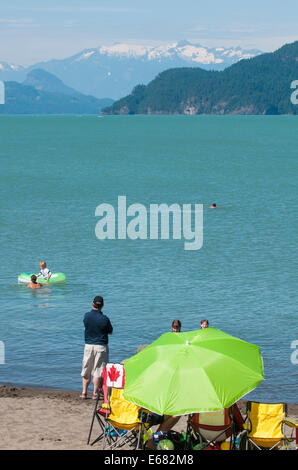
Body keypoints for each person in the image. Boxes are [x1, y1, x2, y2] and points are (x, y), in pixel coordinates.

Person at [81, 296, 113, 399]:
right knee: (98, 371)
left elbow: (86, 325)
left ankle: (84, 392)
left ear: (92, 304)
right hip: (100, 346)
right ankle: (95, 393)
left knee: (86, 369)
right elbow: (110, 331)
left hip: (88, 345)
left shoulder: (87, 316)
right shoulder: (104, 319)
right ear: (102, 306)